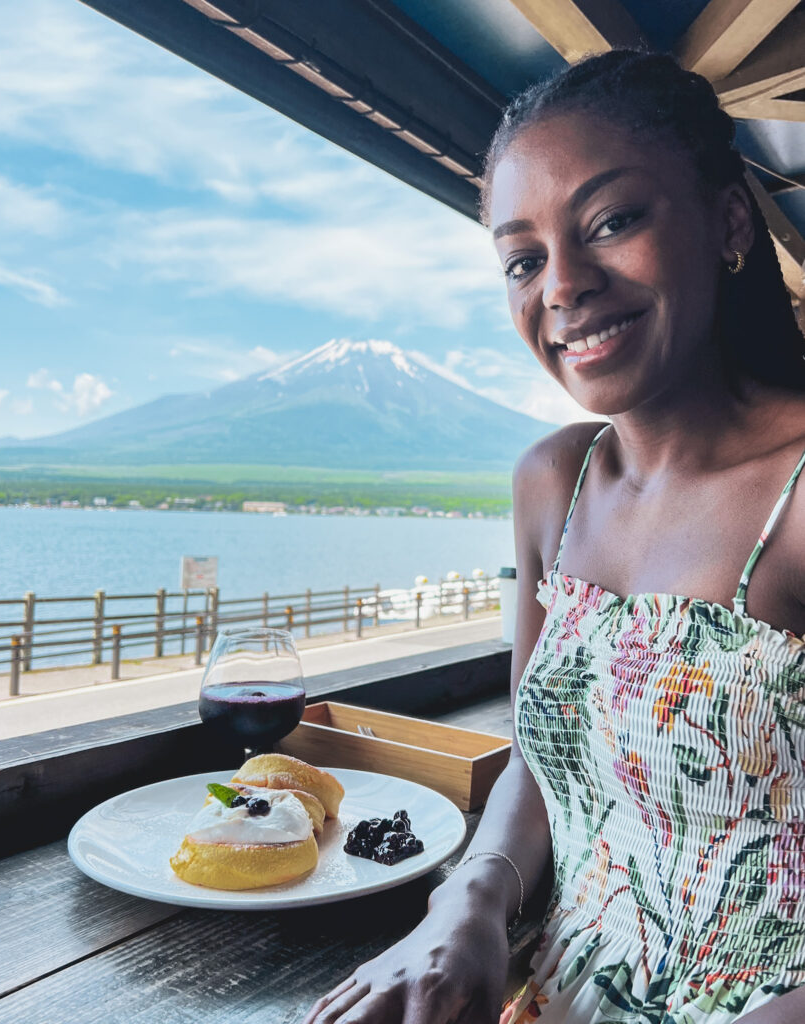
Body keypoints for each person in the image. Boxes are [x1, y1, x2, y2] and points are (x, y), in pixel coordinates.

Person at [303, 50, 805, 1024]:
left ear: (728, 222)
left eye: (612, 221)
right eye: (523, 258)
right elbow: (546, 754)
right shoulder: (552, 484)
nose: (563, 284)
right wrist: (467, 906)